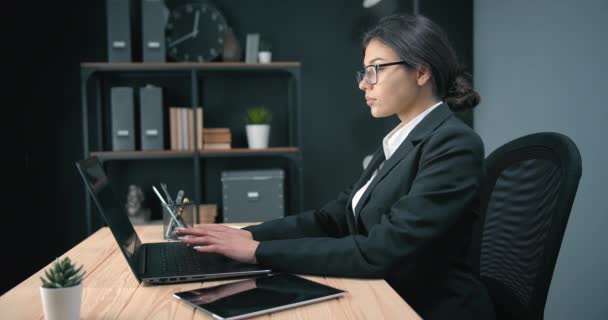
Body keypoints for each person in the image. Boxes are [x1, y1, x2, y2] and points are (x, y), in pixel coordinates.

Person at [176, 13, 495, 319]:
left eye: (376, 70)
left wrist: (258, 251)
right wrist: (246, 236)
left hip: (426, 308)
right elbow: (332, 219)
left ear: (422, 72)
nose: (363, 84)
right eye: (364, 72)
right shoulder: (399, 141)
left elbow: (381, 251)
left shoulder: (454, 145)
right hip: (385, 294)